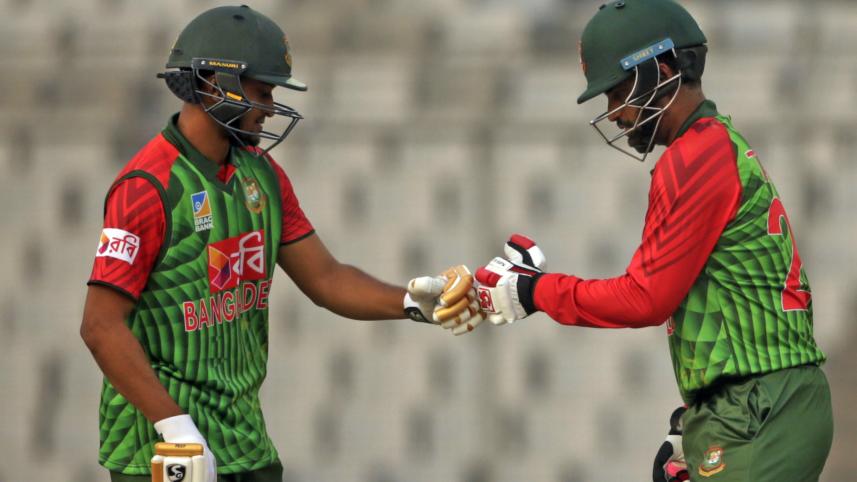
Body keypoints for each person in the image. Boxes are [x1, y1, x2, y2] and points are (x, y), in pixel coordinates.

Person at [80, 5, 480, 482]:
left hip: (243, 441)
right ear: (214, 83)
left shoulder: (262, 175)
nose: (270, 107)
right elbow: (100, 326)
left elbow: (326, 279)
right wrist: (176, 427)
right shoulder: (147, 188)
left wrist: (414, 302)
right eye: (262, 92)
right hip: (161, 451)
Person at [473, 1, 833, 481]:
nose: (616, 114)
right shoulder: (713, 143)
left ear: (662, 71)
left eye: (619, 92)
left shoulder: (694, 157)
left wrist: (533, 291)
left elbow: (645, 299)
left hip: (761, 409)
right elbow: (724, 298)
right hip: (755, 403)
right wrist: (696, 420)